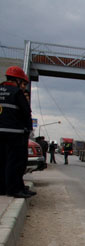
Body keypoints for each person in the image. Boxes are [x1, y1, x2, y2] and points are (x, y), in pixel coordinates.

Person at [0, 66, 35, 198]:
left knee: (2, 161)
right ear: (17, 80)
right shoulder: (16, 92)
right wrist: (28, 129)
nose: (24, 86)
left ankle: (3, 188)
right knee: (15, 162)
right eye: (23, 83)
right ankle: (14, 189)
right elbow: (26, 112)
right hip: (14, 133)